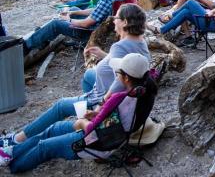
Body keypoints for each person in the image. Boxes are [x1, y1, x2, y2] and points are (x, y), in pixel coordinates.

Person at [1, 4, 150, 150]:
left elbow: (119, 82)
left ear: (125, 22)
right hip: (129, 96)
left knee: (60, 106)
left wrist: (101, 106)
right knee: (89, 74)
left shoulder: (119, 46)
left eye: (116, 17)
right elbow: (125, 64)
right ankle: (85, 112)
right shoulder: (140, 43)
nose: (113, 20)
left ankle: (18, 139)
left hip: (109, 99)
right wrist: (104, 56)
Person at [0, 53, 156, 173]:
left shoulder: (120, 98)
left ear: (127, 78)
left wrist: (81, 122)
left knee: (44, 147)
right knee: (53, 129)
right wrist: (95, 116)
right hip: (111, 134)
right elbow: (117, 120)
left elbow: (90, 129)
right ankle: (11, 152)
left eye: (118, 73)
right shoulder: (144, 91)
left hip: (98, 144)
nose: (117, 75)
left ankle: (13, 167)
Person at [21, 0, 124, 55]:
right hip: (97, 28)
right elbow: (96, 10)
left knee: (55, 24)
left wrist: (69, 20)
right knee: (71, 9)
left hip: (87, 32)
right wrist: (74, 11)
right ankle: (42, 39)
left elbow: (86, 23)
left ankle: (26, 46)